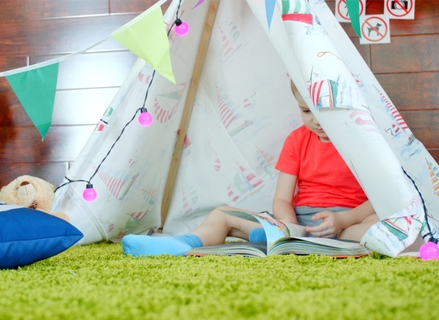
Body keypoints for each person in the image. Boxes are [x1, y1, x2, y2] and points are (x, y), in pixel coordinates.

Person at [122, 81, 378, 256]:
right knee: (222, 213)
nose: (316, 119)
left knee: (387, 222)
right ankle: (181, 244)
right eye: (306, 110)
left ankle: (325, 243)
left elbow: (380, 198)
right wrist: (287, 224)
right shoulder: (297, 140)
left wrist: (342, 219)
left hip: (347, 223)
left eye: (323, 109)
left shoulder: (361, 140)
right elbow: (282, 198)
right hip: (302, 222)